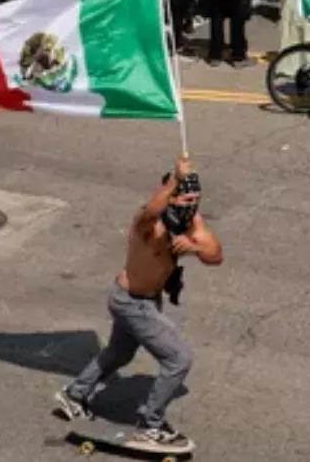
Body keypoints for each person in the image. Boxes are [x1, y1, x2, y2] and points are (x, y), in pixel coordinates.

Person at [55, 154, 222, 453]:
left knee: (119, 352)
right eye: (184, 197)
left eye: (194, 198)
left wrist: (195, 248)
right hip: (130, 301)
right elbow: (148, 212)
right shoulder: (149, 225)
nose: (190, 204)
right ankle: (150, 425)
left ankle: (74, 394)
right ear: (170, 196)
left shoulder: (191, 223)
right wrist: (174, 179)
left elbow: (216, 256)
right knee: (178, 359)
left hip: (147, 300)